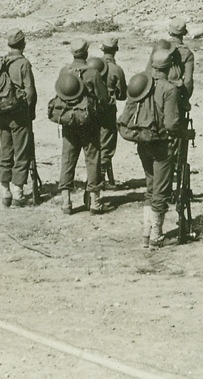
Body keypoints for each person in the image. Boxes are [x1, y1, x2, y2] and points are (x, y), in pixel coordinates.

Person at [121, 50, 183, 248]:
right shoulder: (169, 89)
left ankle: (146, 232)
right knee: (161, 189)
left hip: (142, 141)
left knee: (150, 186)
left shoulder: (140, 82)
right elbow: (172, 123)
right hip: (161, 145)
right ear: (169, 67)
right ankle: (156, 235)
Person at [56, 39, 110, 215]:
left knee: (68, 159)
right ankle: (95, 200)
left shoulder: (64, 71)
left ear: (72, 53)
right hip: (89, 123)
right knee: (92, 159)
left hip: (69, 122)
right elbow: (103, 99)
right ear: (86, 53)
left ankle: (66, 201)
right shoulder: (93, 73)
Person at [0, 31, 38, 207]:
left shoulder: (0, 62)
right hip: (19, 115)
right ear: (23, 44)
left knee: (5, 151)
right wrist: (30, 112)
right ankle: (18, 192)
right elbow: (30, 92)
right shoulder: (23, 64)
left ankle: (5, 192)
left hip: (2, 113)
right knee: (22, 152)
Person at [99, 39, 128, 187]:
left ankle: (96, 176)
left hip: (90, 110)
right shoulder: (117, 70)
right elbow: (123, 95)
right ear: (116, 49)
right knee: (107, 142)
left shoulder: (92, 66)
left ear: (102, 48)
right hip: (108, 110)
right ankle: (101, 178)